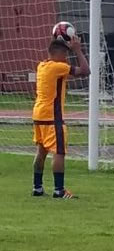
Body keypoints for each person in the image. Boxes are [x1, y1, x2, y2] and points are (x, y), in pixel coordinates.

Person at [31, 32, 89, 199]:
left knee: (41, 150)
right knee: (59, 152)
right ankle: (59, 190)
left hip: (38, 114)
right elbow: (85, 71)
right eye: (65, 54)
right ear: (59, 53)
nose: (66, 58)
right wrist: (77, 50)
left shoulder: (42, 66)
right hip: (52, 116)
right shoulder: (58, 67)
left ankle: (37, 187)